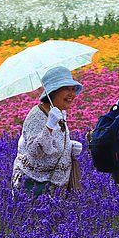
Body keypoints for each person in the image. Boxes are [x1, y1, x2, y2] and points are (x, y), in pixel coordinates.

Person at [11, 66, 85, 196]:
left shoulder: (59, 111)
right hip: (34, 185)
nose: (72, 95)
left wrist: (69, 146)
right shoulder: (36, 116)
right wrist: (49, 126)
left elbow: (53, 141)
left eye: (73, 90)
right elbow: (35, 152)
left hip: (55, 185)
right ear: (53, 91)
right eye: (67, 89)